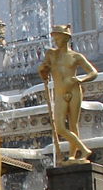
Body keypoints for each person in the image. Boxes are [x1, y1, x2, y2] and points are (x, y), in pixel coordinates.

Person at [37, 24, 99, 163]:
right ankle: (84, 149)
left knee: (73, 124)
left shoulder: (76, 56)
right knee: (59, 126)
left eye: (58, 39)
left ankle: (73, 155)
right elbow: (43, 74)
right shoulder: (51, 54)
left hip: (74, 90)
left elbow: (93, 72)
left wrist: (81, 79)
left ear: (66, 39)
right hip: (59, 92)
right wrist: (42, 69)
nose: (56, 42)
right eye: (55, 39)